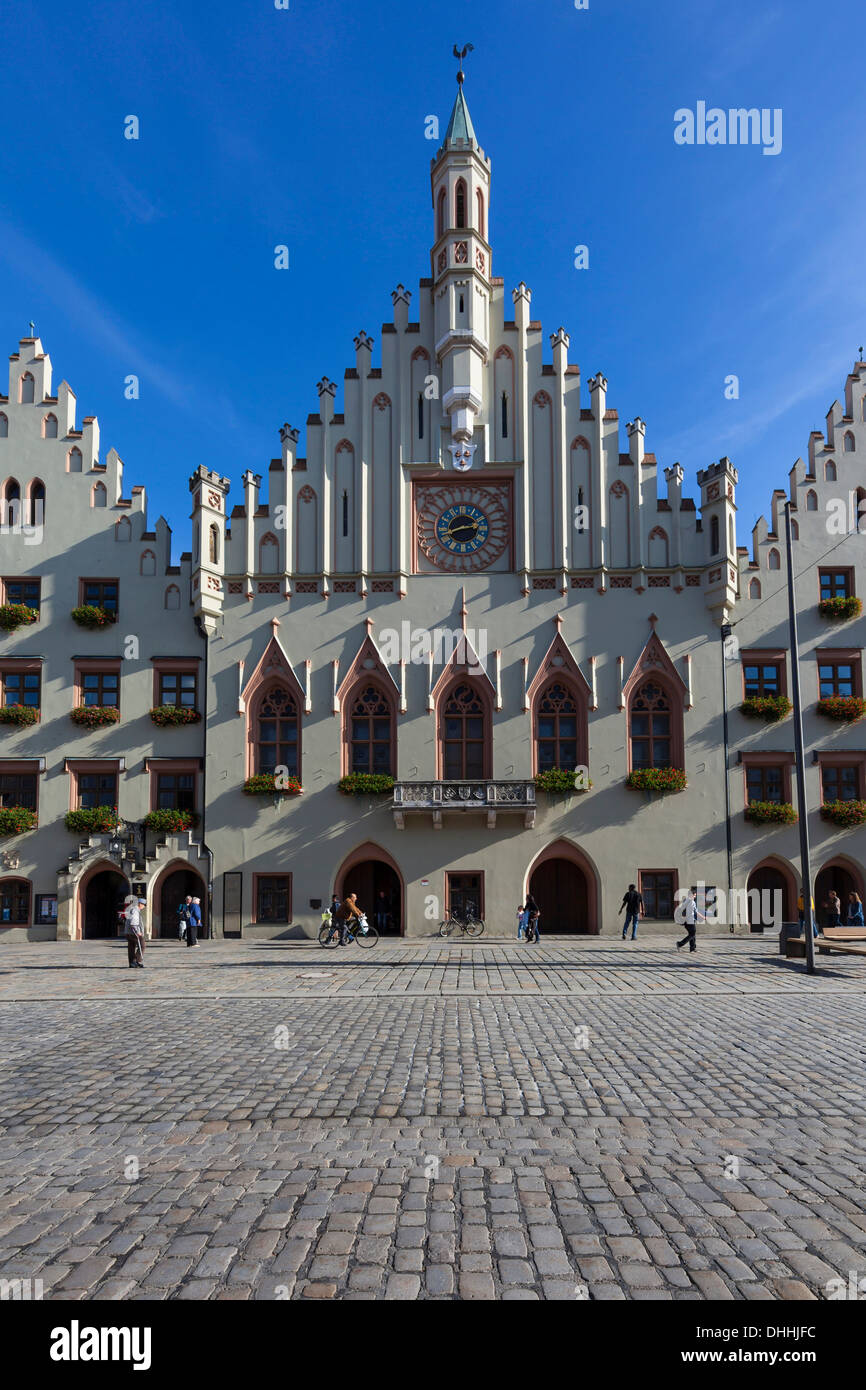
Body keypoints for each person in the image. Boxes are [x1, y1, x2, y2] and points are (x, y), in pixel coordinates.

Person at [676, 889, 704, 953]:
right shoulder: (691, 901)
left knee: (692, 934)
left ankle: (692, 948)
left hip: (686, 920)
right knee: (692, 934)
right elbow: (695, 911)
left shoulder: (685, 900)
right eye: (694, 895)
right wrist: (702, 917)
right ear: (691, 895)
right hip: (690, 920)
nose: (695, 896)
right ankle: (680, 944)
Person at [124, 895, 145, 969]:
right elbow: (133, 922)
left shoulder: (132, 909)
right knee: (142, 946)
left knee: (131, 947)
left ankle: (132, 963)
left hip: (128, 932)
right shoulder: (135, 910)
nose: (144, 907)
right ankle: (136, 961)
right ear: (140, 904)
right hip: (134, 933)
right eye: (144, 905)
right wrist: (138, 932)